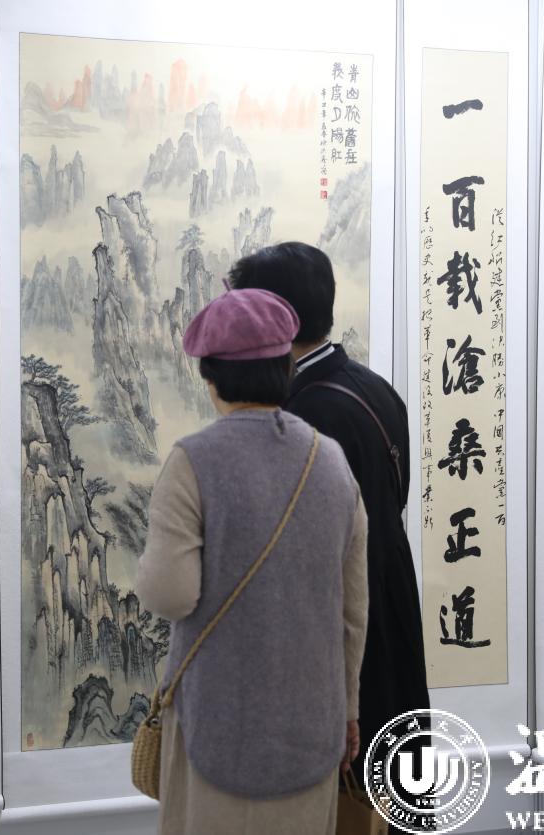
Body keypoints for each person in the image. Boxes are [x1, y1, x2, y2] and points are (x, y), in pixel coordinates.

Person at [136, 288, 369, 835]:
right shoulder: (330, 459)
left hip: (217, 721)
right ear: (287, 368)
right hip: (312, 722)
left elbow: (169, 594)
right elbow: (353, 609)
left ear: (209, 375)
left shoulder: (192, 461)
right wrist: (348, 709)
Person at [229, 242, 430, 779]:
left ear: (278, 318)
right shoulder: (372, 388)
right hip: (388, 603)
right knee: (393, 778)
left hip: (341, 630)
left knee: (344, 789)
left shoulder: (306, 414)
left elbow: (301, 560)